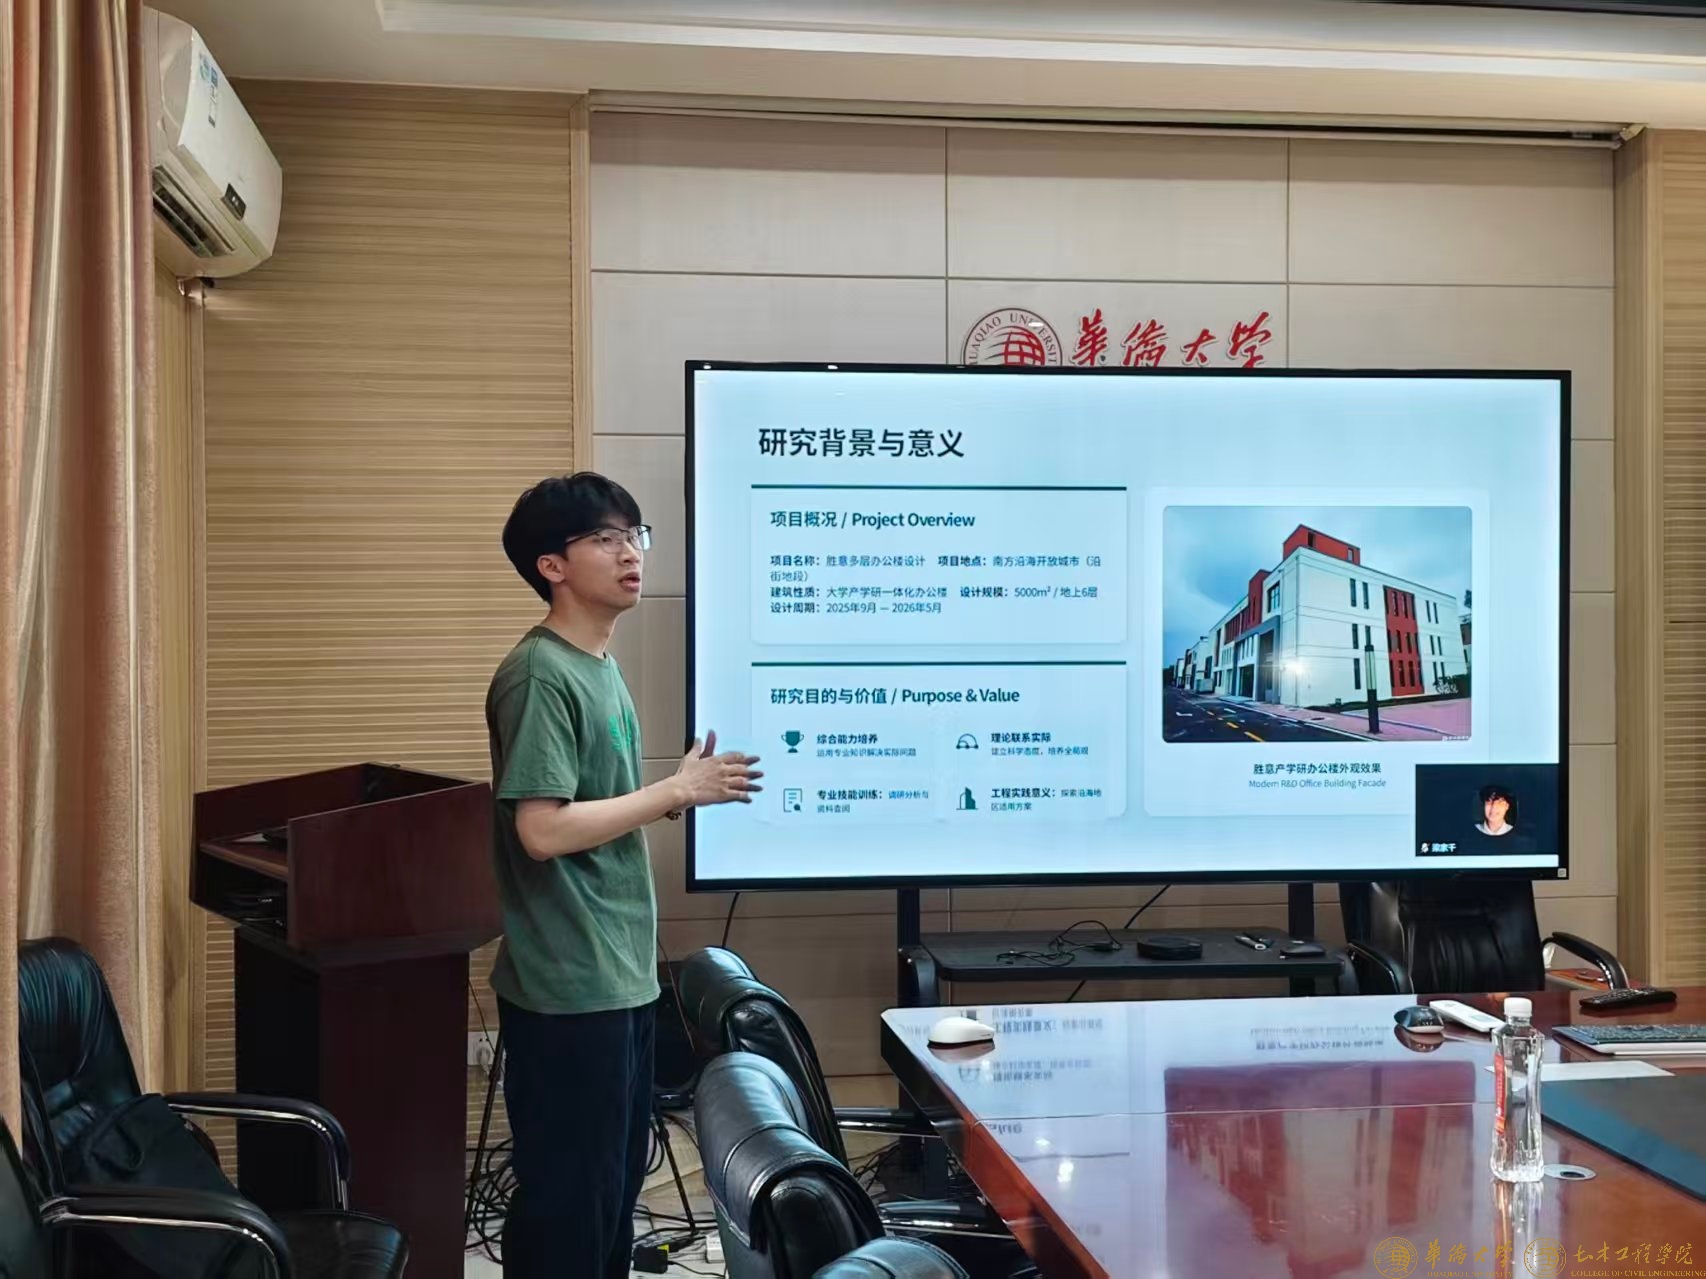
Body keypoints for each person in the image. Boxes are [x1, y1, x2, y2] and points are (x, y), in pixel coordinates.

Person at [486, 473, 762, 1278]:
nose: (630, 553)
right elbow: (540, 830)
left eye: (635, 534)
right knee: (571, 1203)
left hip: (617, 973)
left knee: (609, 1195)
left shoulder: (597, 664)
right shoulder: (540, 673)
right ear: (552, 565)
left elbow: (591, 808)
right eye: (605, 538)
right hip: (569, 982)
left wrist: (671, 795)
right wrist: (675, 792)